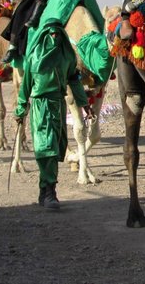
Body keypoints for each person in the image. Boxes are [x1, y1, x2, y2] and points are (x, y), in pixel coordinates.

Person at [14, 20, 91, 209]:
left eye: (58, 34)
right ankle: (49, 192)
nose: (55, 37)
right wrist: (20, 109)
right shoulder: (33, 58)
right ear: (44, 35)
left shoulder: (67, 57)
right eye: (51, 34)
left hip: (58, 104)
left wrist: (84, 104)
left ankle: (46, 190)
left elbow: (73, 80)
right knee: (44, 148)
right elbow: (26, 86)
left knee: (55, 148)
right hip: (40, 105)